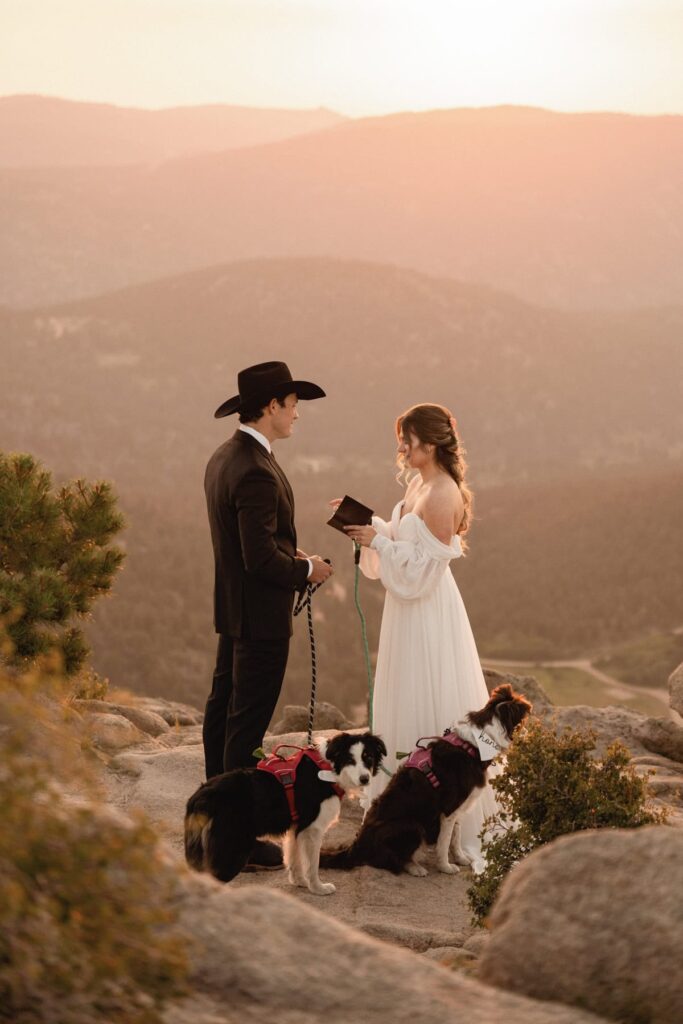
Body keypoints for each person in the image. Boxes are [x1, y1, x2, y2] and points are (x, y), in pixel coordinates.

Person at [338, 402, 498, 873]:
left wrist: (379, 543)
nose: (401, 448)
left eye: (406, 439)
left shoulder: (444, 494)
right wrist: (371, 528)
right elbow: (404, 543)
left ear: (430, 443)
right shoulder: (417, 484)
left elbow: (424, 572)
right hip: (406, 613)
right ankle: (398, 806)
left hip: (427, 612)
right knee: (404, 693)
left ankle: (436, 820)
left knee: (430, 694)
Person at [203, 360, 333, 869]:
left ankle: (213, 817)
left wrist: (297, 561)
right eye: (293, 403)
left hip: (233, 610)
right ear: (273, 406)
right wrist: (307, 571)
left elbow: (248, 549)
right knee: (245, 725)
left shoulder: (224, 456)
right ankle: (232, 837)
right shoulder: (255, 471)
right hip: (259, 618)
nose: (298, 412)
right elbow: (259, 559)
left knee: (222, 711)